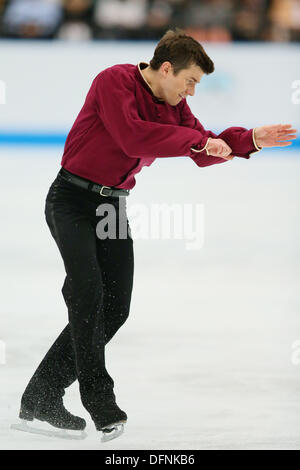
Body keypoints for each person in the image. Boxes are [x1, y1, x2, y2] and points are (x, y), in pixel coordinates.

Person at [17, 29, 296, 441]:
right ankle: (100, 402)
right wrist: (199, 142)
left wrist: (248, 140)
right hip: (71, 200)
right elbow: (132, 135)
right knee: (87, 292)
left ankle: (41, 396)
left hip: (112, 206)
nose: (192, 92)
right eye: (190, 81)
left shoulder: (174, 106)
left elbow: (206, 145)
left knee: (115, 306)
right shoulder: (114, 80)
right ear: (166, 69)